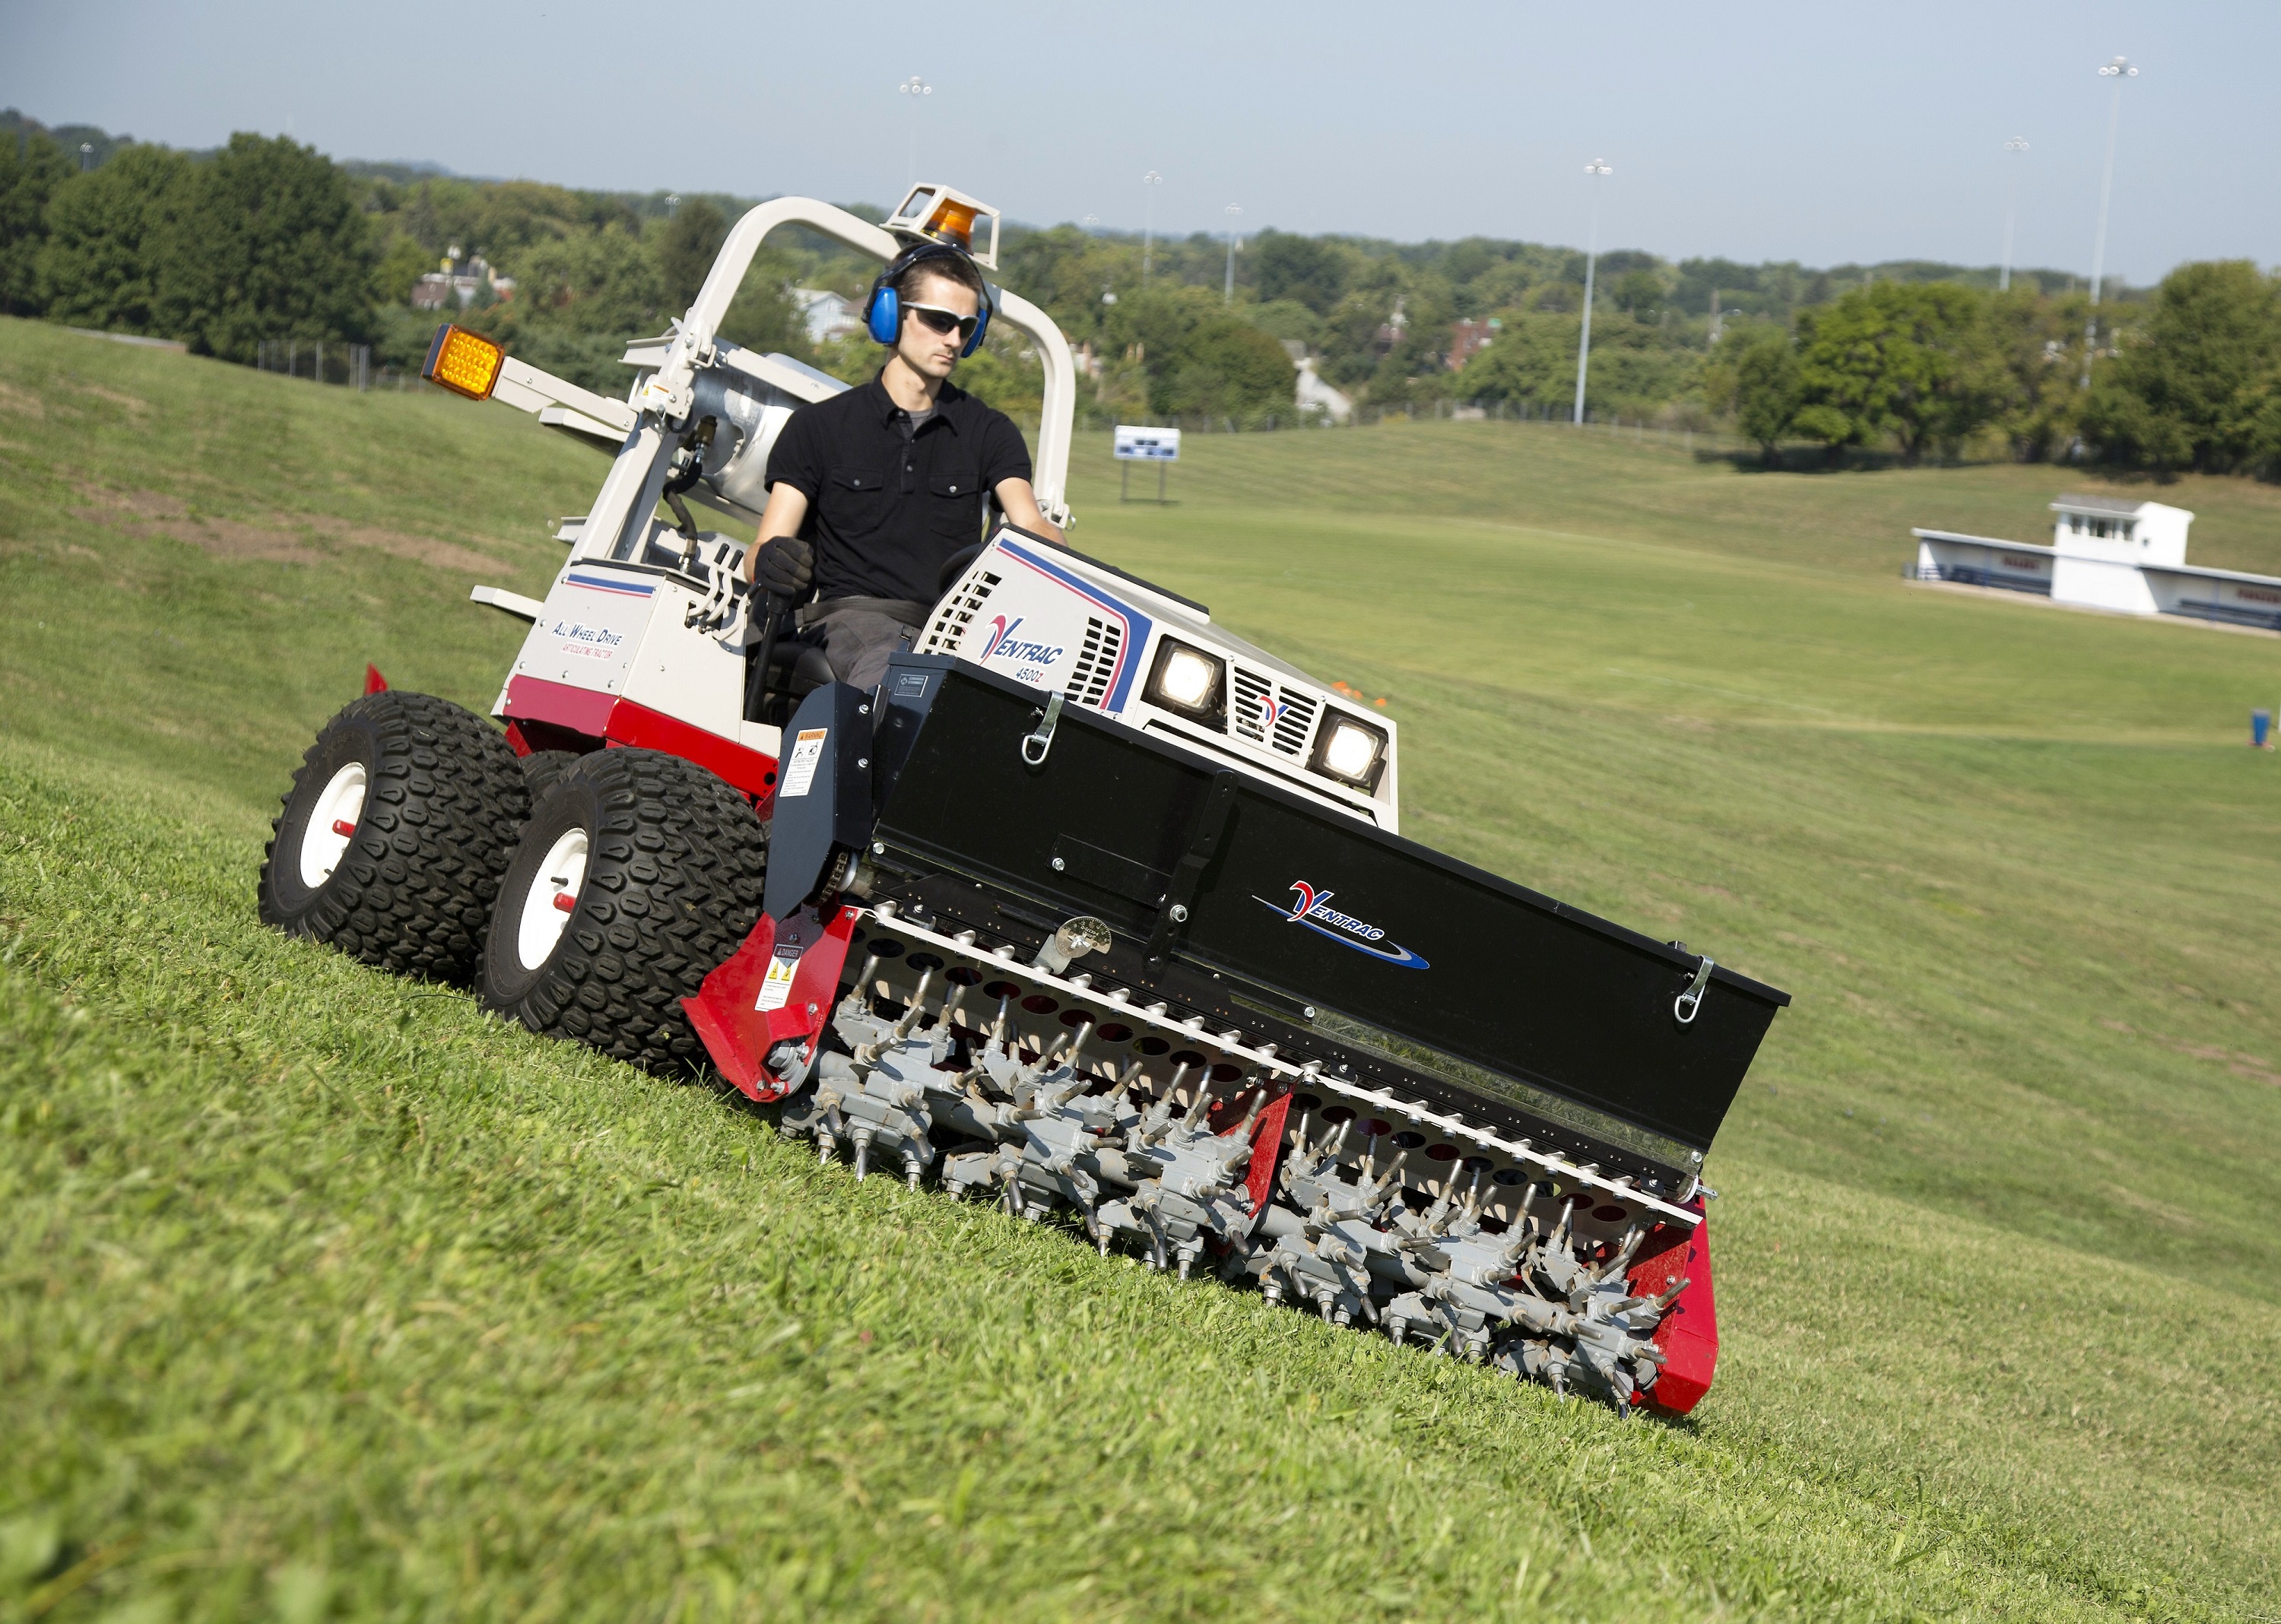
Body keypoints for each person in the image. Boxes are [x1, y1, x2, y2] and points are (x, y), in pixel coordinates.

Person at [742, 239, 1062, 690]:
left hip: (957, 631)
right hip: (854, 621)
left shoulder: (989, 431)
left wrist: (1052, 544)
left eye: (966, 327)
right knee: (902, 679)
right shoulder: (819, 427)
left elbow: (1030, 522)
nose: (953, 339)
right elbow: (761, 553)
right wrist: (773, 560)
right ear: (890, 315)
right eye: (938, 321)